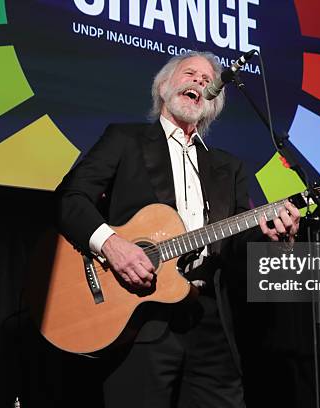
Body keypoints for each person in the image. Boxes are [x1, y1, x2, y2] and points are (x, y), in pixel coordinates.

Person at [55, 51, 300, 408]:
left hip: (209, 324)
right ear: (164, 87)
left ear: (212, 102)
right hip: (139, 318)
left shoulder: (228, 168)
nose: (200, 82)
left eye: (206, 80)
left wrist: (271, 236)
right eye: (191, 74)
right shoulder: (125, 140)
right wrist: (112, 245)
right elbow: (70, 198)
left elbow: (232, 248)